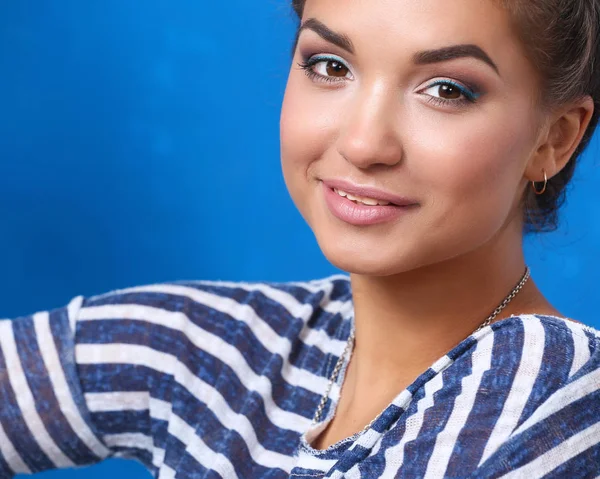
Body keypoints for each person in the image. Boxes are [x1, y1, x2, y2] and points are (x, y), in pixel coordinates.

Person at [1, 0, 599, 477]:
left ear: (556, 138)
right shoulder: (216, 352)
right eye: (330, 66)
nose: (364, 144)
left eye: (446, 89)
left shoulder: (556, 393)